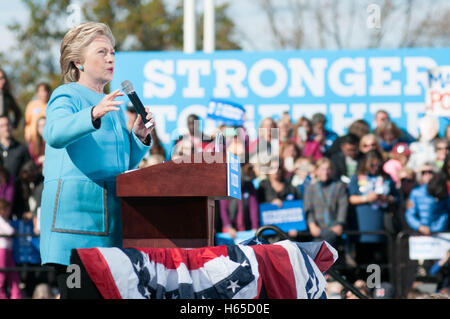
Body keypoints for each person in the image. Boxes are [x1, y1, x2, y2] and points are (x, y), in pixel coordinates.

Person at [39, 22, 154, 298]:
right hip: (74, 230)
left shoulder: (110, 105)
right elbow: (53, 134)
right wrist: (92, 114)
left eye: (113, 52)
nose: (111, 58)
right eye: (102, 52)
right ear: (79, 61)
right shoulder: (66, 95)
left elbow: (122, 166)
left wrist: (138, 138)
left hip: (110, 230)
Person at [348, 150, 399, 276]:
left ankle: (378, 290)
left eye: (378, 165)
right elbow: (351, 198)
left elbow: (397, 198)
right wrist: (367, 198)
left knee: (379, 262)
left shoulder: (386, 177)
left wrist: (387, 198)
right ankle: (366, 290)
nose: (375, 168)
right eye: (372, 165)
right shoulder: (357, 177)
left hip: (381, 227)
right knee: (365, 261)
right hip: (363, 228)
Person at [303, 158, 348, 247]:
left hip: (334, 227)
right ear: (317, 171)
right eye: (322, 169)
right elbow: (308, 208)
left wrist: (340, 224)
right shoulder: (310, 188)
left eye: (328, 169)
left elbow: (343, 206)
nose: (325, 172)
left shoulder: (339, 186)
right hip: (318, 228)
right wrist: (312, 225)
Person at [0, 199, 22, 299]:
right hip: (2, 251)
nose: (9, 212)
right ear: (2, 210)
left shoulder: (6, 220)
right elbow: (10, 231)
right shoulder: (1, 220)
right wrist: (15, 231)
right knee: (1, 276)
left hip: (8, 251)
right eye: (8, 209)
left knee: (13, 275)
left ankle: (16, 295)